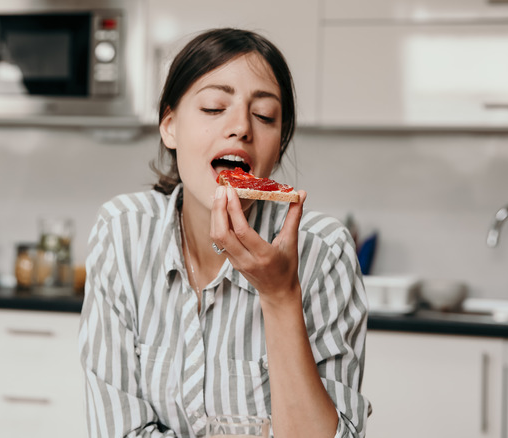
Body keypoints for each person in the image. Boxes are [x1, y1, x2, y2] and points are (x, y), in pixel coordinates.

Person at [79, 28, 370, 437]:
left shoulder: (323, 251)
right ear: (169, 126)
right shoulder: (123, 232)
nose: (241, 128)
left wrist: (280, 295)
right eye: (215, 108)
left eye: (265, 116)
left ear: (279, 143)